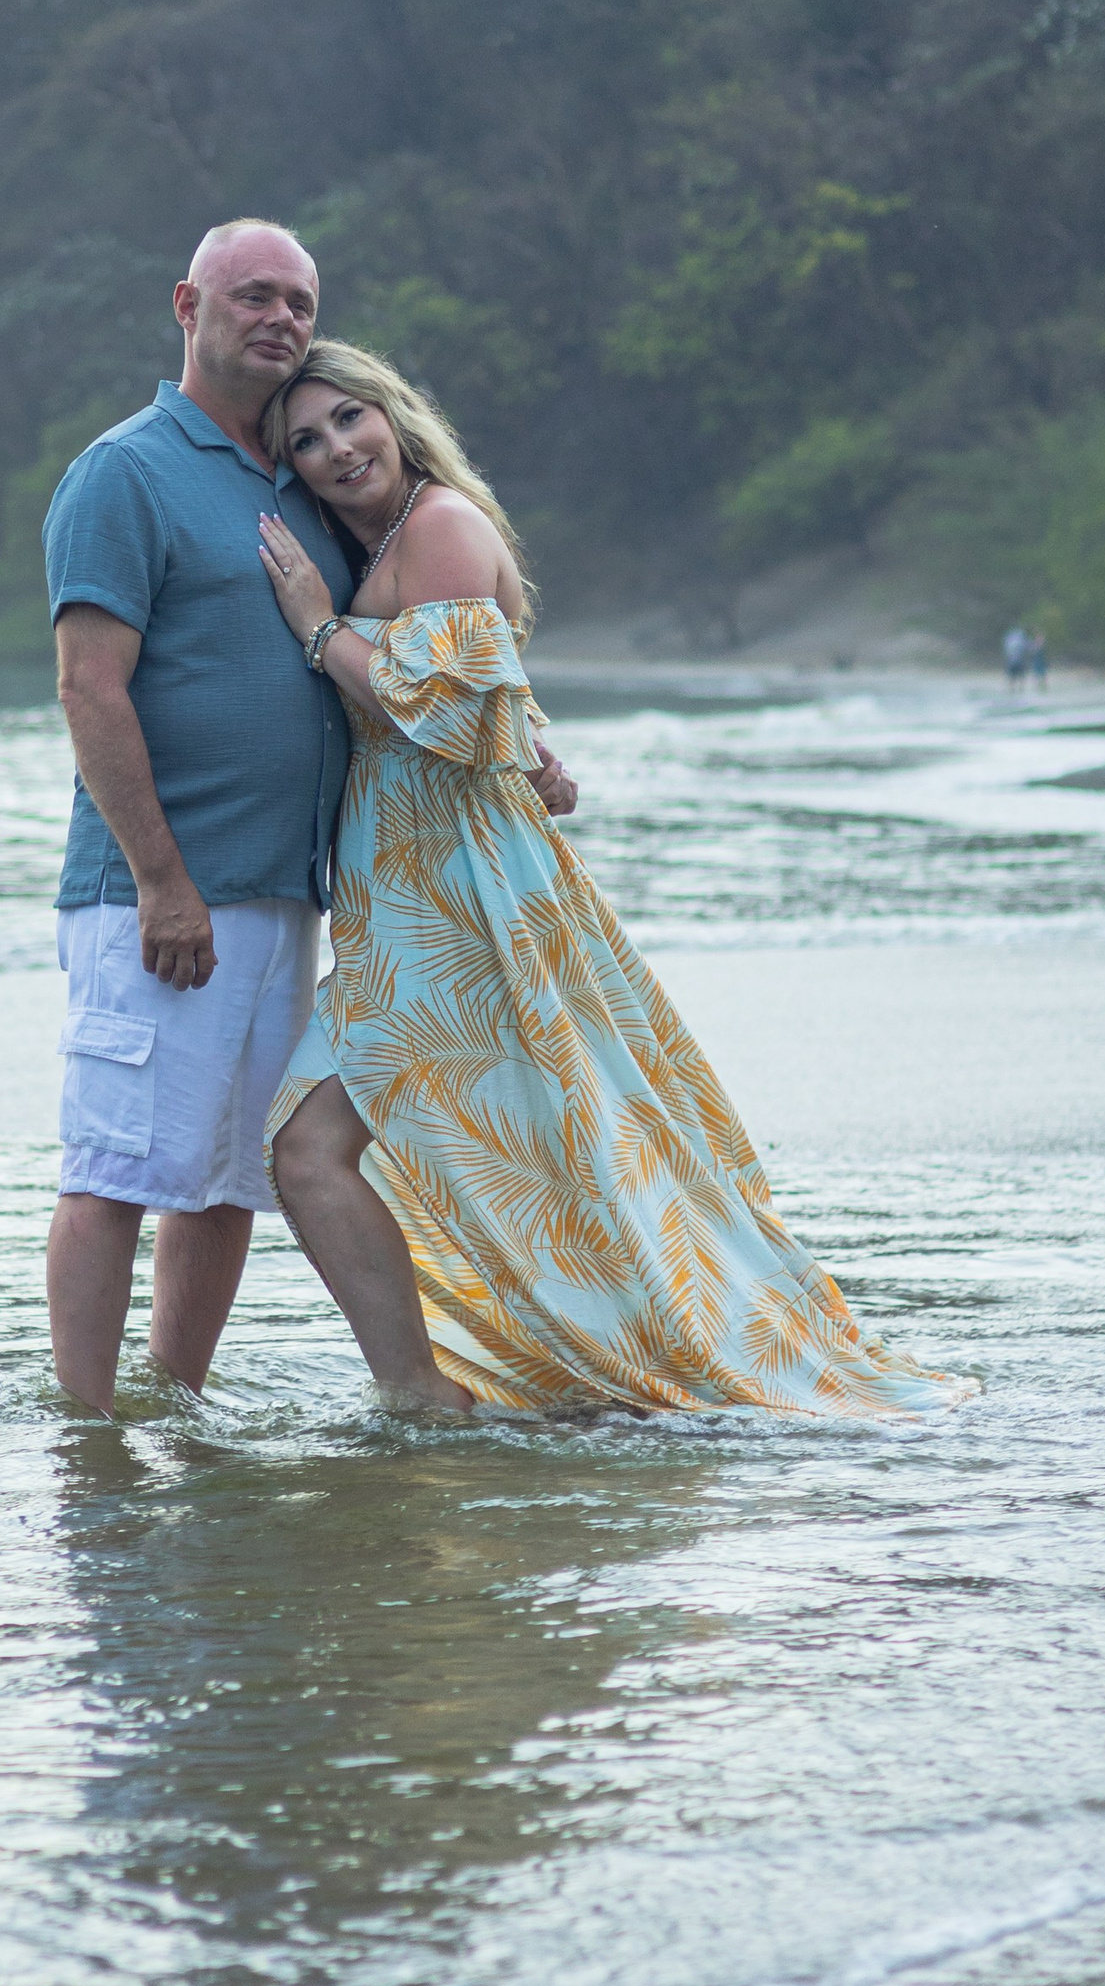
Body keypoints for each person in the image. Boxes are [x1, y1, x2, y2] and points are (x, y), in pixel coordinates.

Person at [253, 339, 972, 1421]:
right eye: (305, 441)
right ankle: (461, 1383)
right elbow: (487, 691)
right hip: (412, 901)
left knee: (385, 1142)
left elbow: (439, 709)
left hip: (460, 899)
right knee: (406, 1142)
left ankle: (466, 1389)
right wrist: (530, 739)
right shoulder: (395, 539)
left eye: (348, 419)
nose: (334, 449)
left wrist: (315, 626)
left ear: (393, 416)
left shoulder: (440, 523)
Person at [41, 223, 575, 1415]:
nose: (279, 317)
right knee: (115, 1169)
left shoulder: (300, 479)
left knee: (228, 1180)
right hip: (160, 895)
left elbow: (431, 641)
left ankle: (172, 1404)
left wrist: (523, 736)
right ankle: (86, 1432)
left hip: (294, 893)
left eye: (299, 299)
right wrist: (161, 880)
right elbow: (90, 686)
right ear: (188, 303)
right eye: (252, 295)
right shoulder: (122, 472)